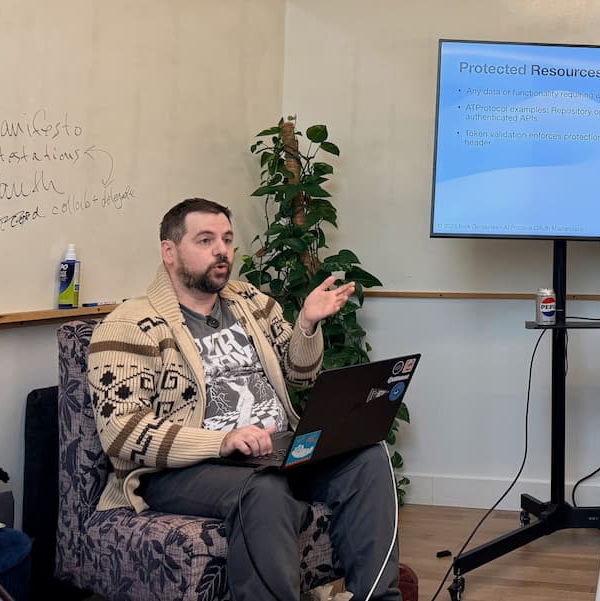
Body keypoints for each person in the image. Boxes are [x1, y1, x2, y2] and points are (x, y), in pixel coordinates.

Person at [87, 198, 401, 600]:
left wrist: (307, 325)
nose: (221, 250)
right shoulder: (129, 325)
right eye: (205, 240)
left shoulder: (251, 302)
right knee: (263, 490)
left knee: (367, 457)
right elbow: (121, 431)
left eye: (227, 239)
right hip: (182, 469)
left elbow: (301, 375)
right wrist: (221, 441)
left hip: (274, 449)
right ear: (169, 251)